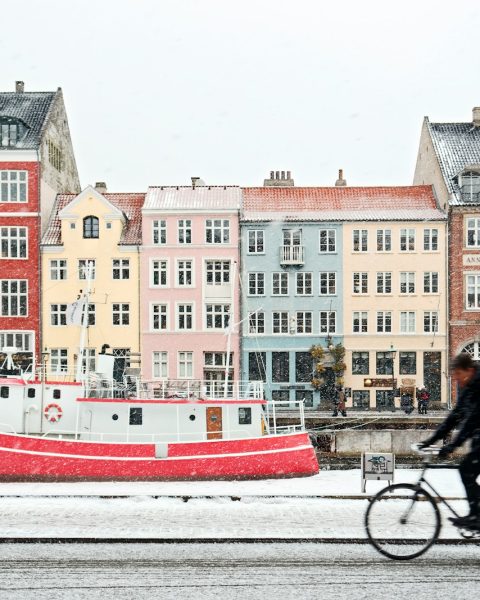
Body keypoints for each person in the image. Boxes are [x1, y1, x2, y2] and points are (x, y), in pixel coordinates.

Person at [419, 353, 480, 529]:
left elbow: (472, 421)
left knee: (466, 471)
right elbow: (455, 417)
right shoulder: (470, 387)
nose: (457, 379)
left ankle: (476, 517)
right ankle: (475, 515)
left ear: (468, 370)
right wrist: (432, 440)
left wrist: (452, 446)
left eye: (458, 375)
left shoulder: (478, 385)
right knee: (467, 471)